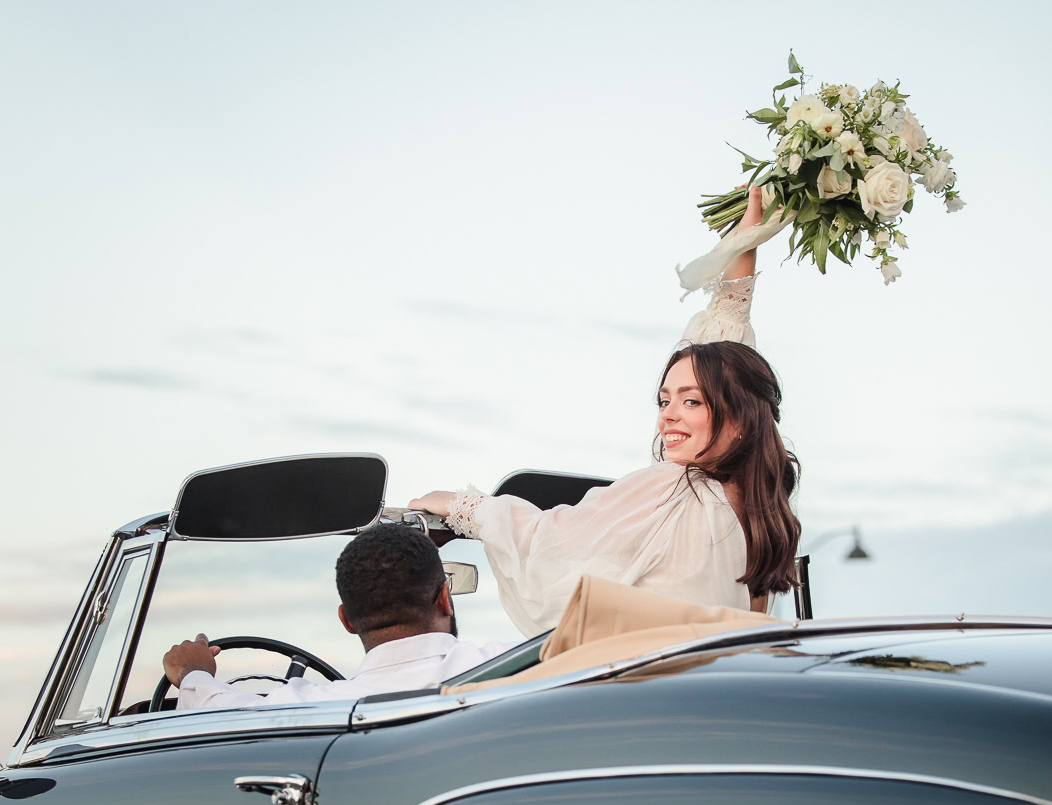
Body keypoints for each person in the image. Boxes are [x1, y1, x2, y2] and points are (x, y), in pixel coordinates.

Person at [408, 187, 801, 636]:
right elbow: (730, 324)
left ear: (739, 417)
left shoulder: (674, 489)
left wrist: (464, 507)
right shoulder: (753, 511)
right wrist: (749, 233)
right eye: (664, 400)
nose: (668, 415)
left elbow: (550, 544)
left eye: (691, 401)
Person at [161, 523, 512, 710]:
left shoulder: (309, 708)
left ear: (346, 620)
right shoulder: (522, 667)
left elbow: (219, 713)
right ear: (445, 599)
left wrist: (193, 674)